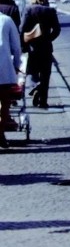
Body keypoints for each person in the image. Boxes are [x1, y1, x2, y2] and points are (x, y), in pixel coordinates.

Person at [21, 0, 61, 109]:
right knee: (46, 74)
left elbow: (22, 28)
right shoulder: (50, 11)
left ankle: (34, 87)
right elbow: (57, 30)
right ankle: (43, 101)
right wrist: (48, 38)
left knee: (31, 71)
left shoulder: (28, 10)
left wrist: (24, 45)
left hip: (33, 48)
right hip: (46, 48)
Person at [0, 11, 23, 147]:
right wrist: (16, 66)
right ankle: (0, 132)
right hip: (3, 71)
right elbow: (16, 47)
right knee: (4, 105)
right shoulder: (6, 20)